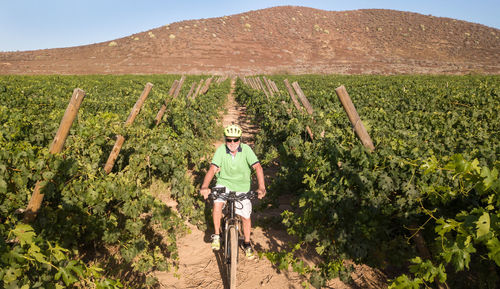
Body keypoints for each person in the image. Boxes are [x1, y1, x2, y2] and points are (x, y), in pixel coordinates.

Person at [200, 124, 266, 259]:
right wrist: (205, 186)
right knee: (217, 205)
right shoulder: (221, 151)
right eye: (229, 140)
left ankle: (247, 243)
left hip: (242, 187)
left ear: (240, 140)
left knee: (246, 218)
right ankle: (217, 236)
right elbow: (213, 169)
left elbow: (258, 167)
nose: (232, 143)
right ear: (225, 140)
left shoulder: (247, 150)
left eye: (235, 140)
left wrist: (261, 187)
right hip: (224, 183)